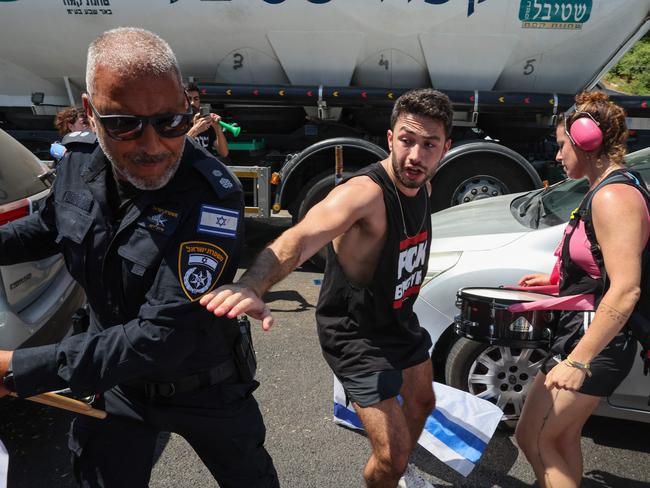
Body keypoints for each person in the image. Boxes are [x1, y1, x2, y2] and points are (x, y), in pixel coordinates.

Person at [0, 27, 278, 488]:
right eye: (124, 124)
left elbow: (161, 335)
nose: (152, 145)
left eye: (170, 121)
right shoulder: (77, 162)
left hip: (203, 385)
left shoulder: (211, 198)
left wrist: (17, 368)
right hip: (115, 383)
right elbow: (48, 227)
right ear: (90, 113)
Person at [200, 88, 453, 488]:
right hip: (355, 333)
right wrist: (253, 284)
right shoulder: (363, 195)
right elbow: (299, 238)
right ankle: (392, 470)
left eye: (429, 144)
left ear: (445, 148)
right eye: (406, 140)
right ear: (390, 139)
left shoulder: (423, 186)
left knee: (423, 402)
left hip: (398, 321)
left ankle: (401, 470)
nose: (415, 156)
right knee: (392, 457)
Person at [514, 91, 649, 488]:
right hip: (580, 333)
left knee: (546, 438)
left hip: (600, 344)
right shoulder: (602, 189)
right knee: (535, 434)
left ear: (586, 141)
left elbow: (625, 289)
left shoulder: (613, 197)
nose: (557, 157)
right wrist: (559, 281)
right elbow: (601, 265)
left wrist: (579, 361)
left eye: (561, 146)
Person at [186, 81, 229, 158]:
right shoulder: (177, 124)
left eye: (196, 99)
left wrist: (217, 129)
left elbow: (224, 153)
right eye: (189, 99)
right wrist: (196, 130)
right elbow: (178, 152)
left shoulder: (206, 123)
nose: (192, 102)